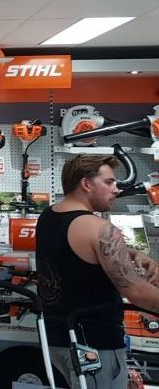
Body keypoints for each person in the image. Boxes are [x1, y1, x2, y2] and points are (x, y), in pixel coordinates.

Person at [36, 154, 159, 388]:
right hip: (95, 345)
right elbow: (137, 292)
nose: (116, 190)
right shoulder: (99, 229)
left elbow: (76, 255)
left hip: (58, 339)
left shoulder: (49, 216)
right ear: (86, 184)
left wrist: (130, 252)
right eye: (109, 182)